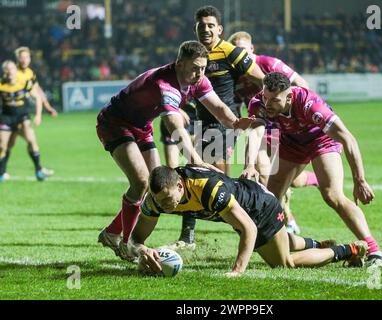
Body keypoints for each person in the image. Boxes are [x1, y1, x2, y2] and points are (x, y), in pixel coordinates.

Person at [96, 41, 254, 261]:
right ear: (179, 64)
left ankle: (112, 233)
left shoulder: (197, 80)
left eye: (203, 67)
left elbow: (218, 108)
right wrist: (197, 160)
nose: (200, 73)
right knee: (141, 181)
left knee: (155, 185)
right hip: (114, 123)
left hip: (140, 126)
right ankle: (126, 243)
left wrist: (236, 122)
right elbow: (175, 127)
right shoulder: (166, 83)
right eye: (195, 67)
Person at [241, 72, 382, 267]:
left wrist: (360, 180)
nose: (267, 104)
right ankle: (300, 248)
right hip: (291, 143)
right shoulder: (258, 102)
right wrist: (249, 165)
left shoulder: (309, 104)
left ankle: (374, 251)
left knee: (332, 196)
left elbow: (347, 138)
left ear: (289, 96)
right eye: (265, 97)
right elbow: (256, 131)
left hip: (320, 141)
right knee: (270, 202)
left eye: (274, 100)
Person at [128, 165, 369, 277]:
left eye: (169, 199)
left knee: (284, 263)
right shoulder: (155, 200)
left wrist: (237, 271)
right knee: (282, 243)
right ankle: (317, 245)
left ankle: (347, 250)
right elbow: (135, 239)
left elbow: (248, 228)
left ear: (180, 185)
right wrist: (142, 250)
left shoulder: (209, 190)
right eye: (161, 202)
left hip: (260, 207)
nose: (166, 206)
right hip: (243, 207)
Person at [167, 6, 266, 251]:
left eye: (211, 25)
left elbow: (261, 78)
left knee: (214, 182)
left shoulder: (230, 51)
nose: (206, 29)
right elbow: (176, 83)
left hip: (223, 125)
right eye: (202, 25)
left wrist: (267, 104)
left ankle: (252, 230)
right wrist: (177, 108)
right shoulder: (192, 54)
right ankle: (193, 236)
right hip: (202, 124)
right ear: (196, 29)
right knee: (195, 176)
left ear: (219, 29)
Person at [229, 31, 316, 235]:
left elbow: (303, 85)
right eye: (236, 52)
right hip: (262, 126)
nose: (241, 55)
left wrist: (294, 118)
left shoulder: (269, 64)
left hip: (285, 124)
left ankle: (312, 180)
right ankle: (286, 219)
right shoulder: (233, 76)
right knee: (262, 171)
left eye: (244, 50)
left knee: (288, 179)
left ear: (252, 50)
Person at [2, 47, 56, 180]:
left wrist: (46, 107)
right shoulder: (10, 74)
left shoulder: (29, 74)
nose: (24, 60)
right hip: (7, 116)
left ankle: (38, 170)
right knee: (7, 145)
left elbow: (37, 91)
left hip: (21, 114)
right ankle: (2, 172)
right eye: (22, 57)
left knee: (30, 139)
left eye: (27, 57)